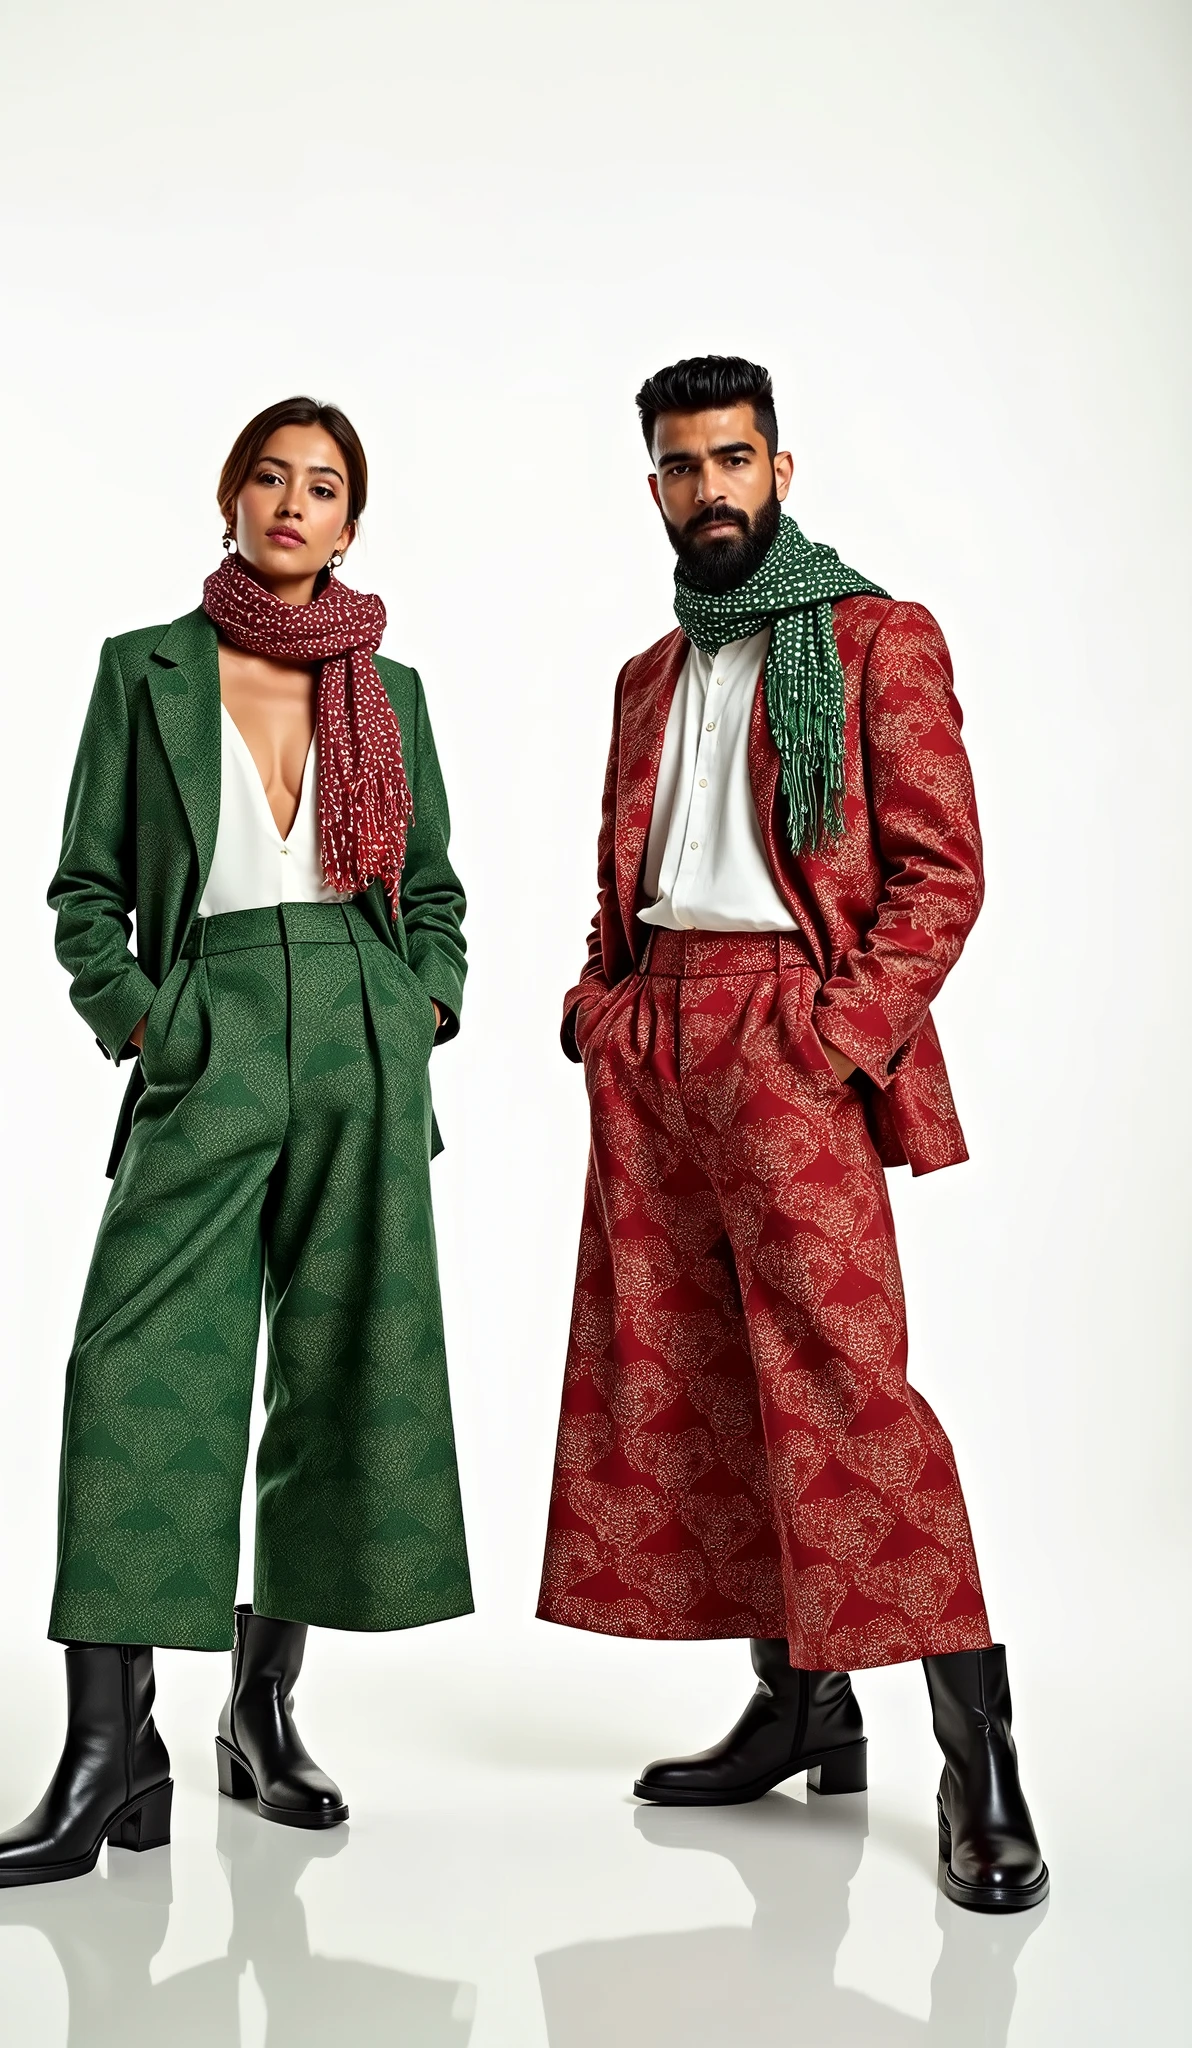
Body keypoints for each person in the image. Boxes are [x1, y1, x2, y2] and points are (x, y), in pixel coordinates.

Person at [537, 355, 1047, 1914]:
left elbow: (940, 875)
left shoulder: (877, 638)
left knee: (845, 1390)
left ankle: (982, 1763)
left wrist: (831, 1036)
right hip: (657, 1036)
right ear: (654, 490)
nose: (711, 490)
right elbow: (630, 869)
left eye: (734, 459)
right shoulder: (647, 674)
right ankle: (804, 1705)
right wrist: (595, 1002)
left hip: (786, 1035)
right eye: (683, 467)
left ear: (782, 468)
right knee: (692, 1376)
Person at [0, 397, 472, 1888]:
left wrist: (420, 1004)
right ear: (230, 496)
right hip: (212, 1027)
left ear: (352, 524)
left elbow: (434, 890)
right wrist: (146, 1020)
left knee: (334, 1371)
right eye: (272, 477)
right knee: (131, 1370)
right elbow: (85, 889)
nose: (295, 504)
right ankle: (111, 1750)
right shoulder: (150, 673)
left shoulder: (393, 690)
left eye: (325, 487)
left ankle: (260, 1711)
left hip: (362, 1035)